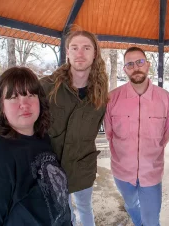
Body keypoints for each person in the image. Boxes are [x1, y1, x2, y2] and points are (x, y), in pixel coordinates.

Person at [0, 67, 71, 226]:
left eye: (31, 95)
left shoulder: (42, 137)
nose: (25, 104)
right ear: (1, 106)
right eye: (13, 97)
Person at [40, 30, 109, 226]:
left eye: (86, 48)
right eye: (75, 48)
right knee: (62, 212)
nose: (80, 53)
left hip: (83, 167)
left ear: (94, 53)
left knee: (85, 208)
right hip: (51, 168)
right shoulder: (46, 87)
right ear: (67, 52)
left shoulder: (100, 93)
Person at [104, 47, 169, 226]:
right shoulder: (112, 99)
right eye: (130, 64)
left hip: (151, 173)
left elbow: (167, 133)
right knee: (131, 204)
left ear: (148, 65)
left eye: (140, 62)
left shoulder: (165, 99)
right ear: (125, 69)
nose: (136, 67)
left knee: (152, 220)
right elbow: (110, 134)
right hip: (122, 172)